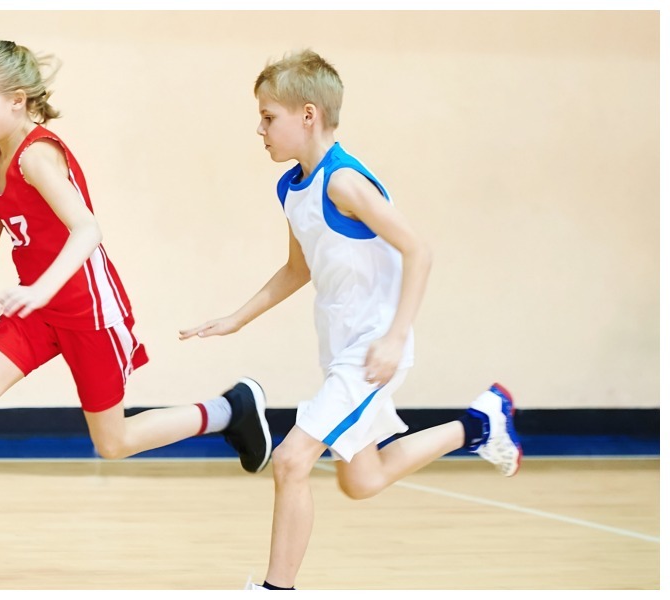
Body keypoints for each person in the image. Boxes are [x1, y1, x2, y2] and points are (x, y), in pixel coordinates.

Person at [0, 39, 272, 591]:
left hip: (88, 309)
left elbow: (88, 230)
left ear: (17, 101)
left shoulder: (39, 156)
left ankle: (229, 411)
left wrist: (40, 289)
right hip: (36, 309)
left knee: (112, 443)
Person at [178, 49, 522, 590]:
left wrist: (395, 336)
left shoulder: (343, 182)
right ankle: (481, 422)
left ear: (308, 115)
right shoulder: (292, 187)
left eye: (269, 117)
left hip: (372, 352)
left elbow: (419, 250)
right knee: (363, 478)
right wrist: (236, 318)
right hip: (342, 352)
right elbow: (298, 268)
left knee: (292, 459)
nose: (260, 128)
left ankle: (275, 589)